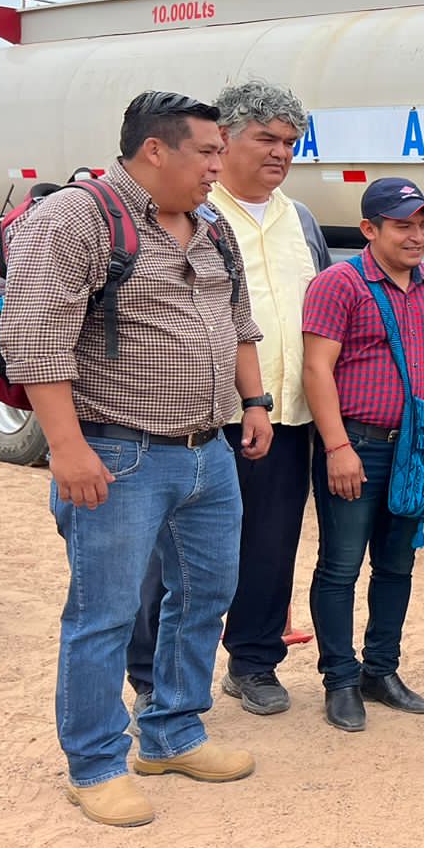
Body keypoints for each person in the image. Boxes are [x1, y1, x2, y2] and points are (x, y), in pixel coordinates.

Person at [1, 91, 270, 827]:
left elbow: (237, 321)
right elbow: (34, 342)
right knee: (105, 614)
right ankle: (94, 766)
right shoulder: (76, 220)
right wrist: (67, 449)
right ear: (156, 150)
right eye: (209, 152)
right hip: (116, 452)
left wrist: (254, 403)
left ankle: (174, 733)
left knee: (205, 597)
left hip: (207, 452)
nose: (222, 165)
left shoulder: (212, 225)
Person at [126, 79, 330, 725]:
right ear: (224, 142)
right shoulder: (198, 214)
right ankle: (150, 674)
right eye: (265, 138)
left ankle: (254, 662)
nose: (280, 153)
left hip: (286, 416)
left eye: (290, 142)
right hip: (208, 419)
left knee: (271, 543)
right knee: (177, 553)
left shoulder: (301, 221)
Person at [301, 177, 424, 733]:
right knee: (341, 566)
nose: (417, 235)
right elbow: (316, 369)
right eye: (403, 225)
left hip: (418, 449)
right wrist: (337, 448)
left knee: (398, 564)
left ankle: (381, 671)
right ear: (369, 229)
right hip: (359, 445)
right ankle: (340, 680)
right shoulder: (338, 284)